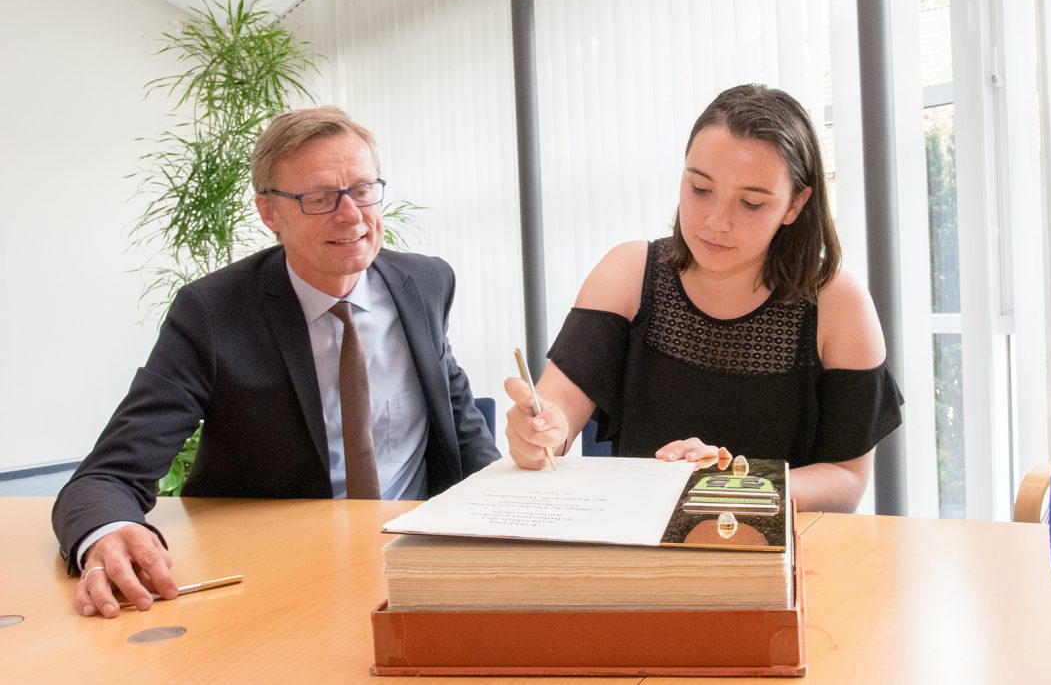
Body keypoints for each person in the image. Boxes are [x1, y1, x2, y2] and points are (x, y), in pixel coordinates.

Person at [53, 106, 500, 618]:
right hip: (276, 579)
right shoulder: (213, 311)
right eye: (318, 199)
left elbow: (461, 427)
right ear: (270, 213)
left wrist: (514, 512)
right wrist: (107, 534)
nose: (351, 215)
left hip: (417, 561)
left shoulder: (425, 282)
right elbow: (107, 476)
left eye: (361, 189)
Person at [504, 84, 902, 512]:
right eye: (699, 188)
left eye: (750, 203)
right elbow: (558, 411)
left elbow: (846, 480)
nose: (716, 222)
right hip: (636, 548)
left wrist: (730, 485)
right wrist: (541, 432)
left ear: (795, 205)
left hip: (775, 559)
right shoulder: (627, 274)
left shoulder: (836, 303)